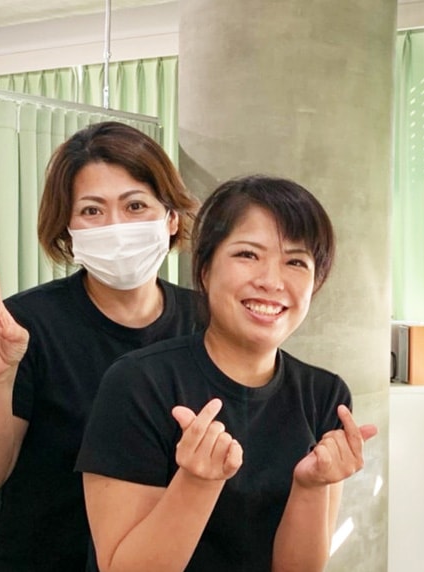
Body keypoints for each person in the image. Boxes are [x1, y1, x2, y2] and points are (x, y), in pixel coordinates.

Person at [0, 121, 203, 571]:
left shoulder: (207, 324)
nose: (116, 227)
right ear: (68, 230)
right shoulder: (23, 326)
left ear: (171, 218)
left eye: (136, 206)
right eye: (92, 210)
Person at [77, 175, 377, 572]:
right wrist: (196, 483)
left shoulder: (325, 395)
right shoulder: (138, 383)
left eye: (295, 262)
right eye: (248, 255)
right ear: (204, 270)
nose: (271, 281)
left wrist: (311, 487)